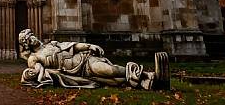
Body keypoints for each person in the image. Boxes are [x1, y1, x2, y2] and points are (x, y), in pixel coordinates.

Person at [18, 29, 169, 90]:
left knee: (111, 70)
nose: (32, 39)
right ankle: (149, 79)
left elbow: (74, 46)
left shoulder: (52, 44)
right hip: (77, 73)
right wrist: (33, 74)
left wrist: (89, 45)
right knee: (115, 81)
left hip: (84, 61)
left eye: (31, 36)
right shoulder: (33, 57)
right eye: (28, 39)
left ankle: (147, 76)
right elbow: (37, 72)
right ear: (26, 45)